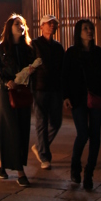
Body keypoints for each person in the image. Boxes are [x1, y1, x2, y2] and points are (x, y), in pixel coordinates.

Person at [0, 13, 36, 187]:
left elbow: (33, 68)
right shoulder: (0, 49)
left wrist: (31, 72)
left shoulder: (27, 49)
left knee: (22, 130)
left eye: (22, 24)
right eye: (16, 24)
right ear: (9, 27)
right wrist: (5, 81)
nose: (20, 26)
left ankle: (2, 164)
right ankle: (20, 172)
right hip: (5, 93)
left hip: (22, 91)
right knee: (12, 129)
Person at [62, 18, 101, 191]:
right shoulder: (71, 53)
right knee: (83, 134)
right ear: (78, 32)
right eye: (85, 28)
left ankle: (89, 172)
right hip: (78, 98)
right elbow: (65, 76)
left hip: (97, 96)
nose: (89, 31)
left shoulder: (99, 53)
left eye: (91, 28)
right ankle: (75, 166)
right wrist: (65, 96)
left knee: (95, 136)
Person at [30, 14, 64, 170]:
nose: (52, 26)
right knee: (41, 122)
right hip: (40, 87)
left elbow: (63, 68)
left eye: (54, 24)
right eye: (49, 23)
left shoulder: (58, 47)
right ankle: (44, 156)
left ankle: (39, 146)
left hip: (55, 88)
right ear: (41, 26)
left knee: (56, 122)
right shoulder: (34, 45)